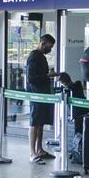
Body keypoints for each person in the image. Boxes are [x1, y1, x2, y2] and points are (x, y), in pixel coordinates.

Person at [26, 34, 59, 165]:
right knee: (34, 123)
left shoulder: (41, 57)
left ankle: (39, 149)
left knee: (40, 123)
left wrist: (49, 74)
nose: (50, 49)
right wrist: (47, 75)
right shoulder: (34, 56)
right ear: (43, 43)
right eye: (49, 46)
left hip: (43, 94)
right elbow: (31, 78)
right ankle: (32, 153)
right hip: (36, 94)